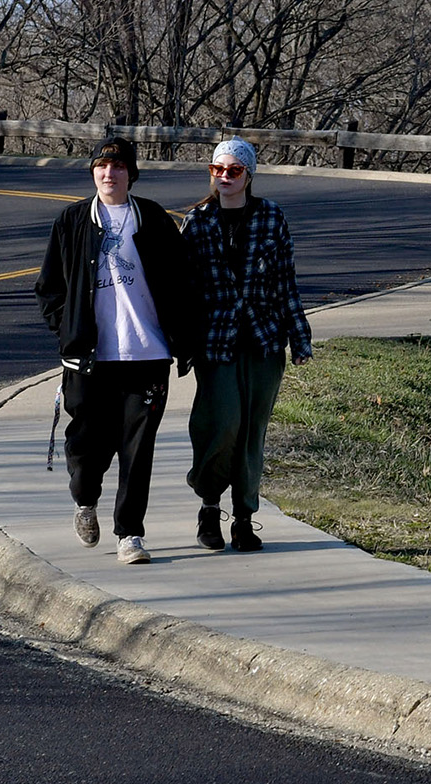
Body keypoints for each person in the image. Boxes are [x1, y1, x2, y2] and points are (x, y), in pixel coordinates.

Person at [35, 138, 194, 565]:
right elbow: (49, 289)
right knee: (88, 446)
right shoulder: (71, 222)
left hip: (148, 355)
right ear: (92, 173)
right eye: (102, 166)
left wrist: (184, 339)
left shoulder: (154, 220)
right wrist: (68, 331)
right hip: (89, 359)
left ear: (131, 173)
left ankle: (131, 534)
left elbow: (184, 283)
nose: (109, 174)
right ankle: (85, 499)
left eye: (118, 166)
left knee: (137, 449)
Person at [181, 138, 312, 553]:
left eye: (234, 170)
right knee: (221, 424)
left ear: (249, 175)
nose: (225, 177)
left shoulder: (272, 218)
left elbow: (285, 283)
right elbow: (184, 288)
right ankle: (208, 503)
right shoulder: (197, 221)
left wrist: (298, 337)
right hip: (215, 339)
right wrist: (180, 342)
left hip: (263, 338)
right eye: (218, 170)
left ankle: (243, 519)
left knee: (253, 430)